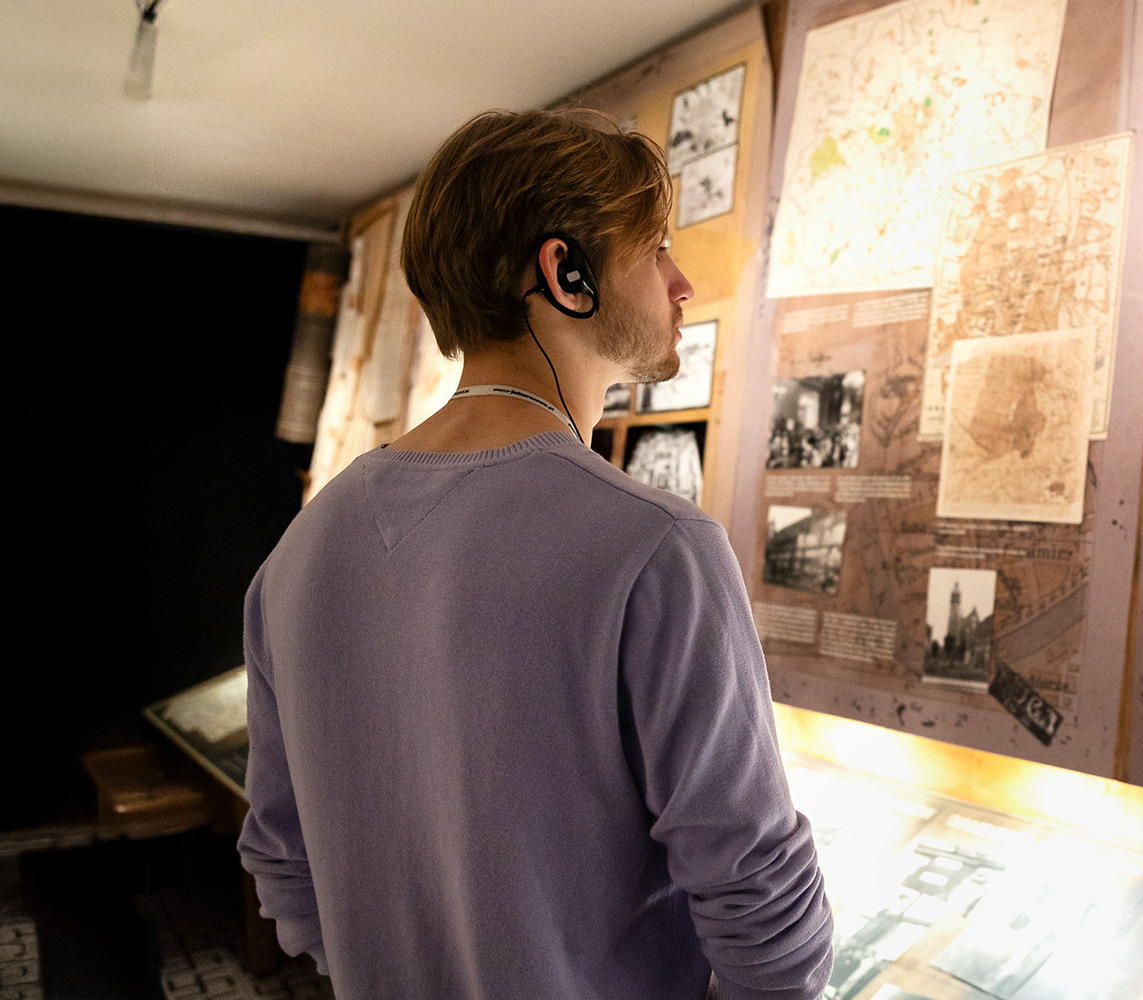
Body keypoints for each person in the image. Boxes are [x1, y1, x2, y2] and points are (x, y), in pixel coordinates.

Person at [236, 110, 832, 1000]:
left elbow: (283, 868)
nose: (682, 282)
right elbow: (763, 909)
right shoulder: (658, 545)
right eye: (657, 247)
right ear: (566, 272)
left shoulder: (300, 550)